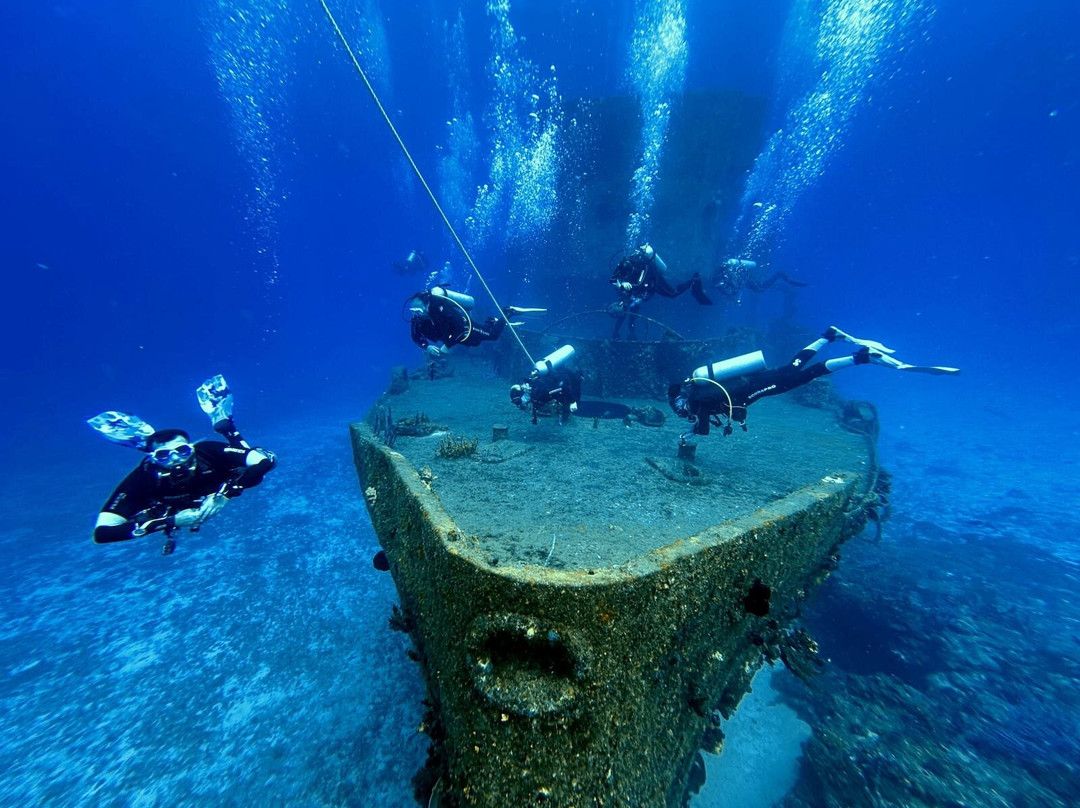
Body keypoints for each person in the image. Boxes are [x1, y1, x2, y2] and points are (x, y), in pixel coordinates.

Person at [89, 376, 276, 554]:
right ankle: (146, 441)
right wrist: (170, 521)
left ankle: (227, 428)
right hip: (173, 509)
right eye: (163, 455)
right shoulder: (143, 478)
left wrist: (226, 493)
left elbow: (265, 461)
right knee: (145, 513)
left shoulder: (206, 451)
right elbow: (102, 533)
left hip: (224, 480)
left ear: (191, 448)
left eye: (182, 451)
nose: (176, 459)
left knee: (259, 463)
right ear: (153, 459)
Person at [669, 326, 960, 440]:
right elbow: (734, 409)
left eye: (681, 410)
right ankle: (829, 336)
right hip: (757, 378)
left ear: (682, 404)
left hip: (765, 386)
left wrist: (688, 435)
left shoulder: (699, 402)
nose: (683, 412)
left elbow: (705, 430)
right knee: (795, 366)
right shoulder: (697, 391)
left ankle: (861, 357)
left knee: (808, 373)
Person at [609, 244, 712, 339]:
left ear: (631, 270)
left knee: (673, 294)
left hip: (652, 279)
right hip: (636, 288)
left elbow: (644, 286)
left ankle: (693, 280)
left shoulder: (643, 267)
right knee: (628, 306)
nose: (625, 277)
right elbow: (612, 279)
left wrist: (639, 295)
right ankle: (620, 331)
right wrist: (620, 285)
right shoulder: (622, 265)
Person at [407, 286, 542, 358]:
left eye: (419, 308)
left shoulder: (439, 308)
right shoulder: (417, 319)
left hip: (465, 328)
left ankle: (508, 311)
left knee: (492, 335)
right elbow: (416, 338)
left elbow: (459, 327)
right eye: (413, 309)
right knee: (476, 343)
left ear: (427, 304)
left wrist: (447, 346)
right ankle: (492, 321)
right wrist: (427, 347)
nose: (416, 312)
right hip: (456, 338)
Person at [712, 258, 807, 303]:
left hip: (745, 277)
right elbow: (730, 291)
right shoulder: (723, 277)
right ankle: (778, 282)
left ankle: (779, 275)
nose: (721, 287)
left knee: (760, 289)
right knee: (760, 287)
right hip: (744, 276)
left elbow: (736, 287)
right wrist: (732, 297)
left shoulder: (725, 277)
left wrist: (733, 297)